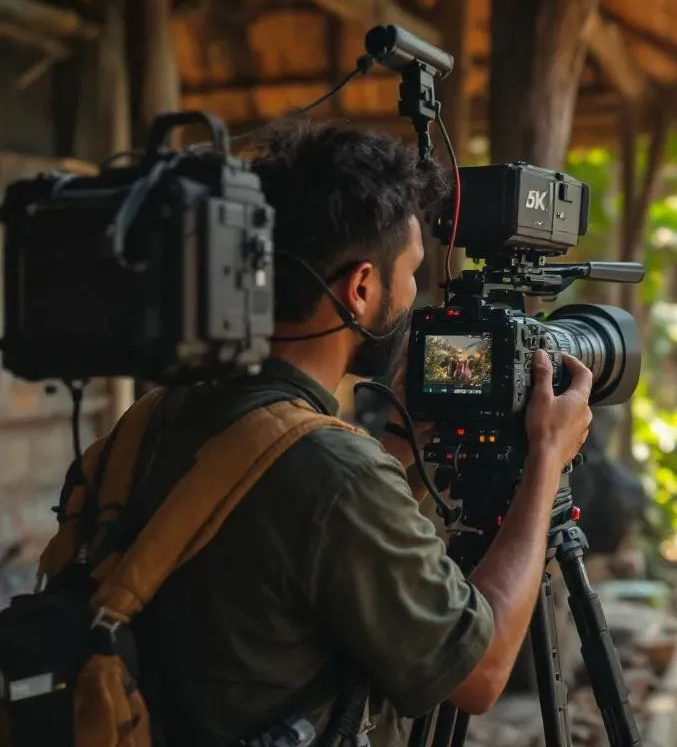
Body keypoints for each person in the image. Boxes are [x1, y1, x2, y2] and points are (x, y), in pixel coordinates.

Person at [94, 122, 595, 747]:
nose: (416, 298)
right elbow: (480, 670)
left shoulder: (149, 419)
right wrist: (547, 457)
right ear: (360, 288)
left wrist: (399, 446)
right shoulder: (335, 472)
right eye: (412, 274)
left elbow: (294, 558)